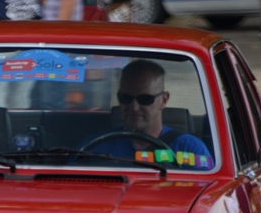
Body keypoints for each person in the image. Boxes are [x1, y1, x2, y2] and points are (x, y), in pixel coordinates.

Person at [79, 60, 213, 169]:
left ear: (164, 100)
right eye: (126, 98)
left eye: (145, 99)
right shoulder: (95, 146)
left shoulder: (190, 149)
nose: (134, 107)